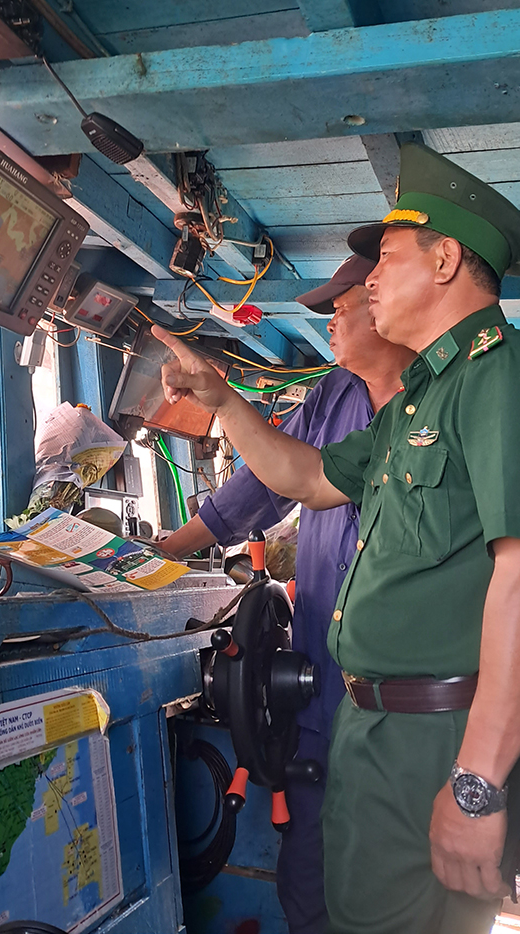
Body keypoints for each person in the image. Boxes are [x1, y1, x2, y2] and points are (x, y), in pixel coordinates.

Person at [152, 143, 520, 934]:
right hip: (372, 722)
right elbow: (307, 478)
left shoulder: (506, 376)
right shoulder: (417, 401)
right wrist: (222, 401)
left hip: (434, 736)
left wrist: (476, 784)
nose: (370, 281)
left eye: (386, 260)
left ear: (447, 258)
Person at [157, 255, 415, 934]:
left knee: (403, 890)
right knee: (309, 879)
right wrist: (170, 550)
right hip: (317, 691)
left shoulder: (446, 400)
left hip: (410, 709)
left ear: (390, 307)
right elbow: (268, 478)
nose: (329, 320)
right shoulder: (331, 395)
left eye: (342, 305)